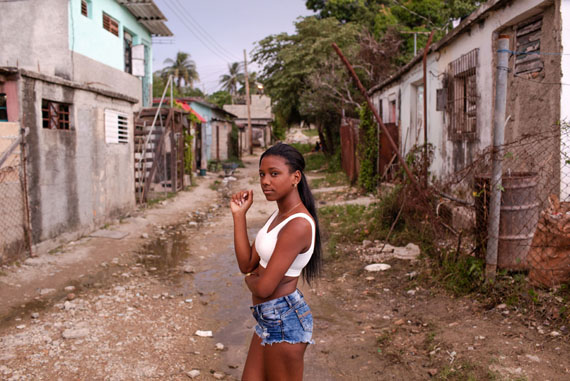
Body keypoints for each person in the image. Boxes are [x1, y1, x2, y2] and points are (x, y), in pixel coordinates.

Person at [230, 143, 322, 380]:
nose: (265, 181)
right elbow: (247, 264)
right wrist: (239, 215)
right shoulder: (278, 216)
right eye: (262, 174)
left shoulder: (298, 224)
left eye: (274, 173)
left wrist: (251, 280)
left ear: (295, 177)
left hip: (285, 320)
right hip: (267, 318)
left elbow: (264, 287)